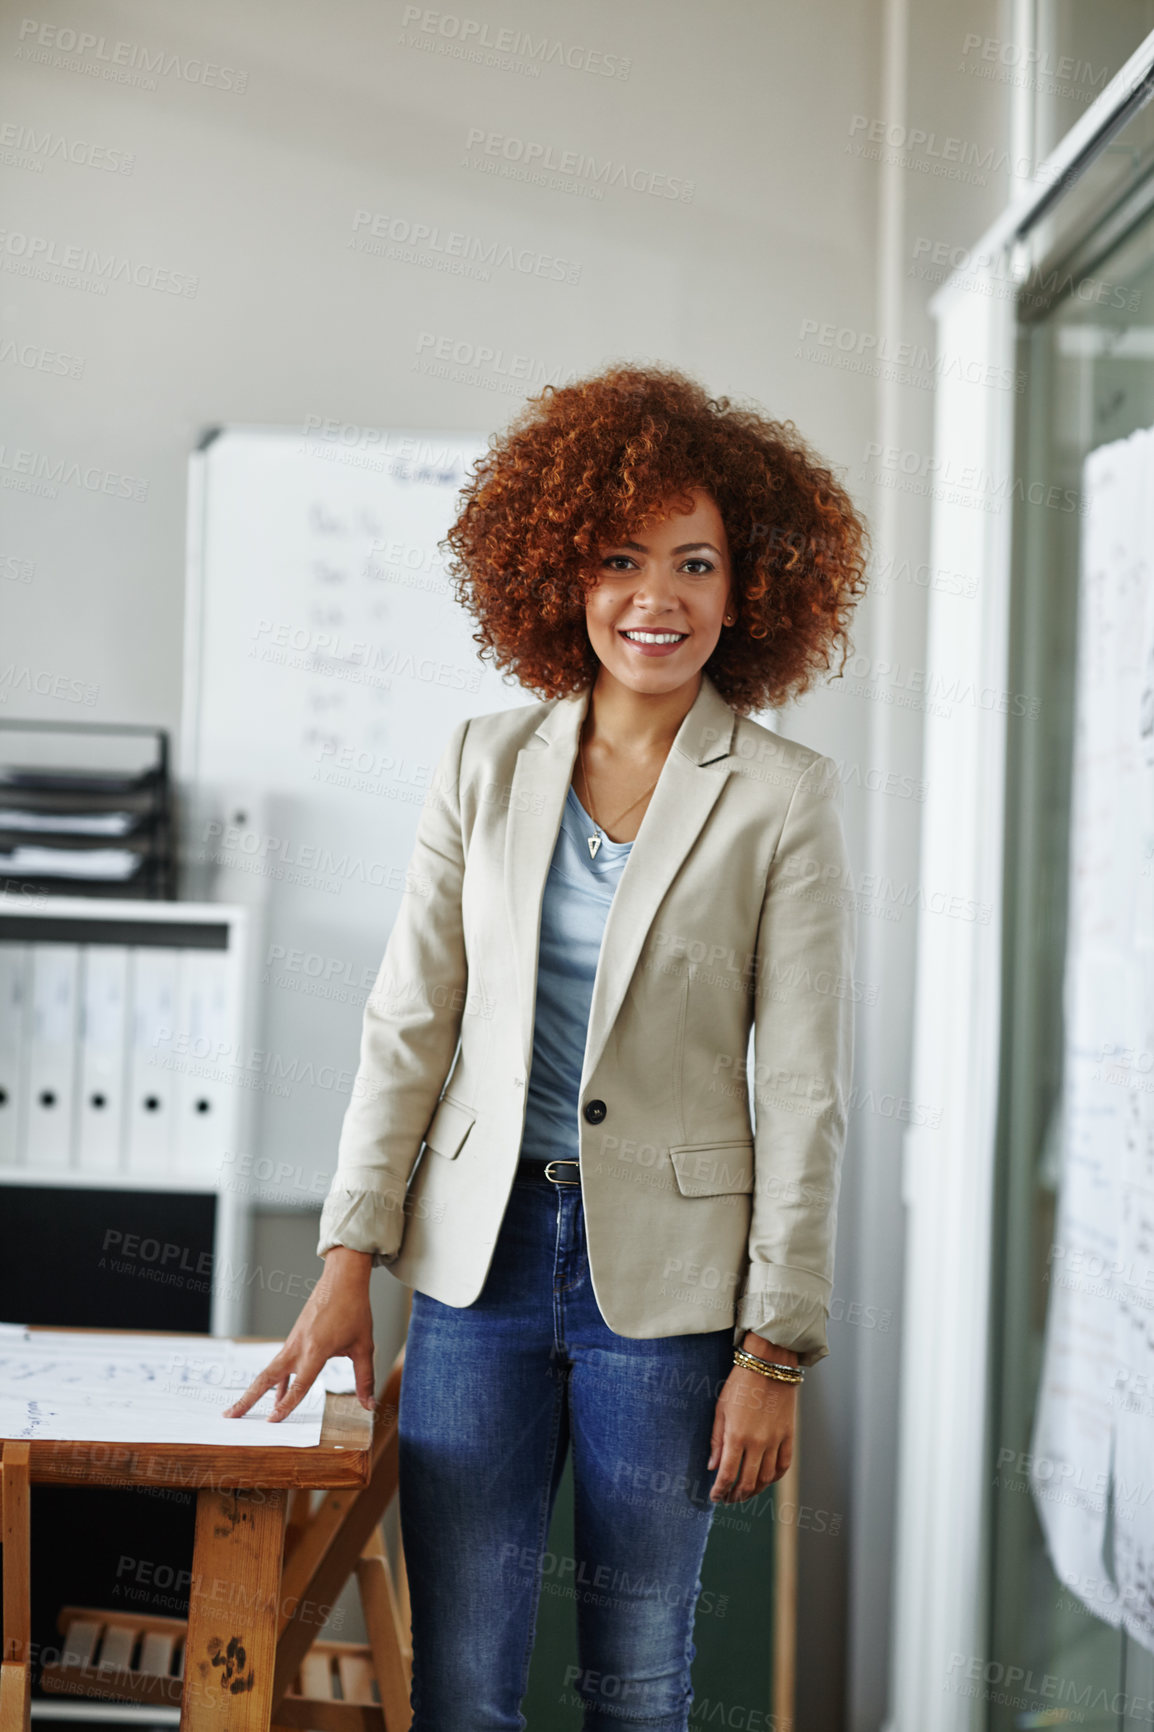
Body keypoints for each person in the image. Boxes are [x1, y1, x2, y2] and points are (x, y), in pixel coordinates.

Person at [226, 361, 868, 1731]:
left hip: (677, 1295)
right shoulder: (481, 762)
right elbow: (411, 1022)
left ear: (745, 587)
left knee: (637, 1687)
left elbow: (805, 1089)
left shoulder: (783, 799)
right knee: (461, 1686)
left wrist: (776, 1351)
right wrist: (349, 1263)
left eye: (694, 563)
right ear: (561, 576)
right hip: (479, 1274)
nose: (658, 597)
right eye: (620, 558)